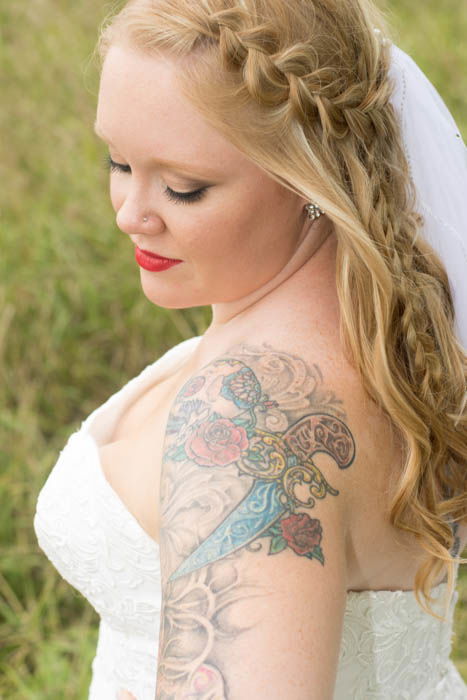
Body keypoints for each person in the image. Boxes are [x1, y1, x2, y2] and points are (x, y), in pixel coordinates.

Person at [34, 0, 467, 698]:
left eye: (184, 187)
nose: (129, 213)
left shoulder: (251, 420)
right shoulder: (375, 319)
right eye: (118, 161)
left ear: (307, 176)